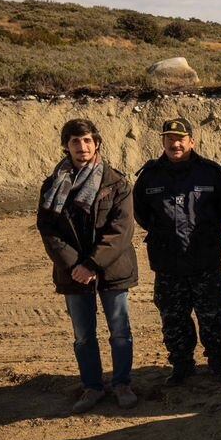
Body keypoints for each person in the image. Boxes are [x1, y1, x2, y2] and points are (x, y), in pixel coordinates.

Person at [37, 118, 139, 413]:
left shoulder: (116, 183)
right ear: (66, 146)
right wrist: (74, 266)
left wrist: (92, 264)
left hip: (112, 270)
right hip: (73, 274)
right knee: (84, 335)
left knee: (120, 330)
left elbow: (121, 231)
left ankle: (122, 384)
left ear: (96, 144)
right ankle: (92, 387)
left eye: (87, 141)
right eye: (75, 142)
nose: (81, 147)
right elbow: (49, 230)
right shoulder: (52, 185)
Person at [133, 117, 221, 385]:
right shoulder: (150, 176)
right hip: (168, 262)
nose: (175, 144)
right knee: (173, 318)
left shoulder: (210, 173)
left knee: (212, 315)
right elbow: (142, 214)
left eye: (180, 139)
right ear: (163, 142)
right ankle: (181, 364)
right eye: (169, 139)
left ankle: (217, 363)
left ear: (192, 141)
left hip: (204, 260)